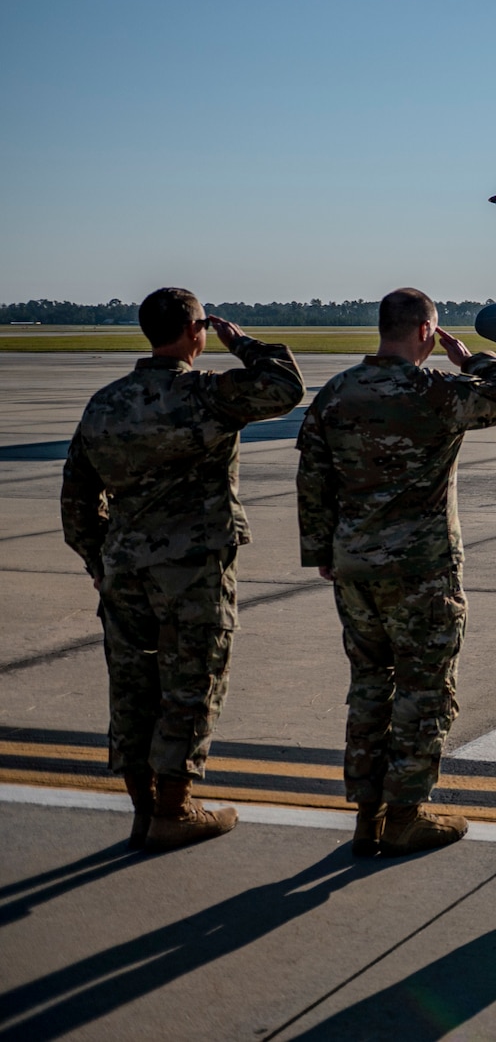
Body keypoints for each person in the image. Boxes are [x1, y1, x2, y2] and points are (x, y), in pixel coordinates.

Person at [61, 288, 304, 851]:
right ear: (196, 332)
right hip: (194, 566)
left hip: (126, 569)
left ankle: (144, 810)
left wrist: (100, 560)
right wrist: (245, 344)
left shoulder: (105, 402)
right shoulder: (204, 394)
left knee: (132, 685)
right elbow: (286, 388)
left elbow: (77, 497)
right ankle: (174, 808)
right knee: (191, 681)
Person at [296, 288, 496, 858]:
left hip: (355, 567)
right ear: (427, 331)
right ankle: (404, 816)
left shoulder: (337, 392)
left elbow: (312, 474)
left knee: (370, 686)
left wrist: (321, 550)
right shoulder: (435, 392)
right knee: (424, 690)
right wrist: (472, 359)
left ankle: (365, 815)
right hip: (422, 571)